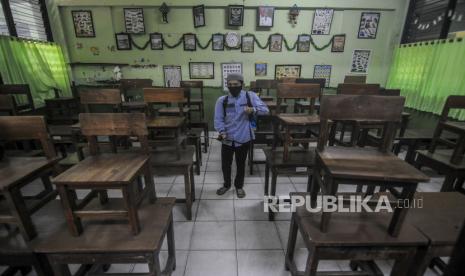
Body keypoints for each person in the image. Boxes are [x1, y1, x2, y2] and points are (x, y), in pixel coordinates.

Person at [214, 73, 269, 198]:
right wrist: (221, 132)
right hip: (227, 138)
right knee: (225, 164)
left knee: (241, 163)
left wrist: (253, 110)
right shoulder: (222, 101)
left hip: (244, 137)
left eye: (236, 84)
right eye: (230, 85)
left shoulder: (250, 96)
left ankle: (239, 186)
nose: (233, 87)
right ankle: (226, 184)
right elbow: (218, 119)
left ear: (242, 85)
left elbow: (266, 110)